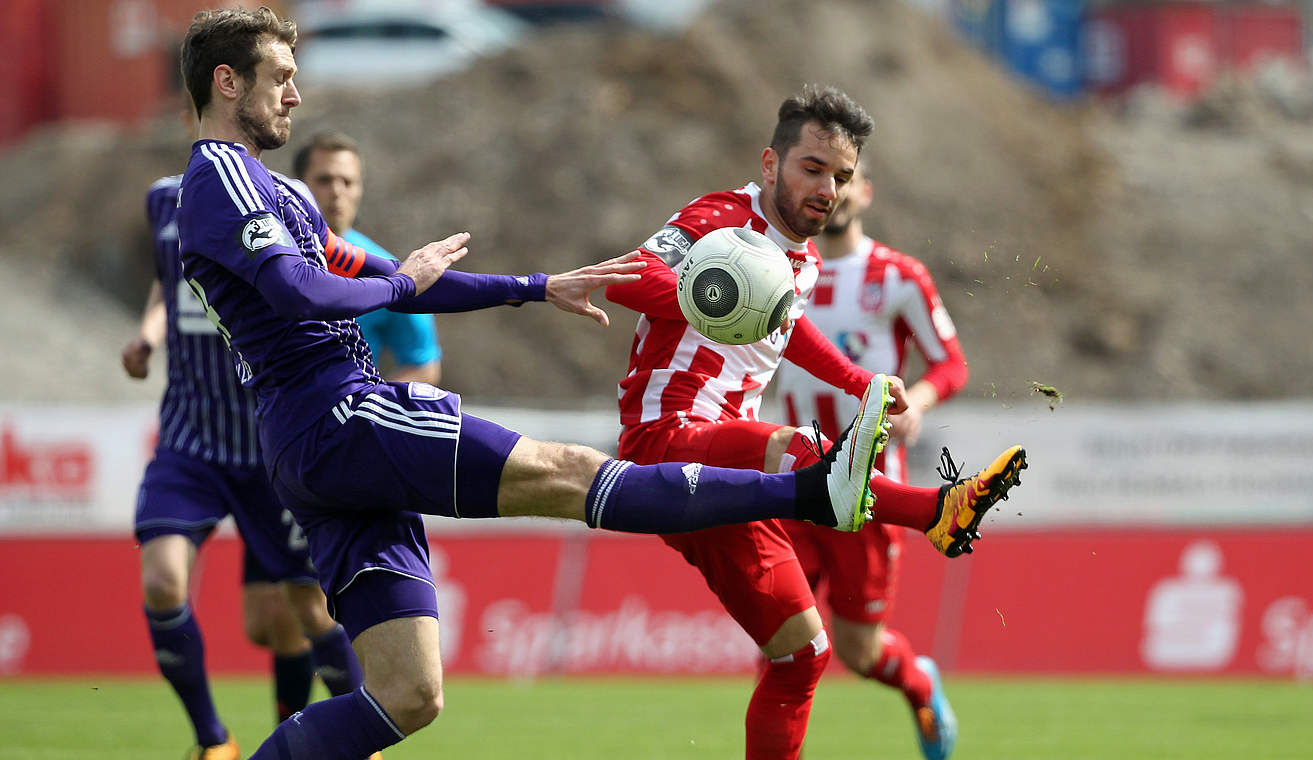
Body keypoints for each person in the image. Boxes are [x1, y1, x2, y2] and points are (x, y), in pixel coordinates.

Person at [175, 9, 890, 759]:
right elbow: (303, 292)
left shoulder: (271, 189)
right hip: (336, 410)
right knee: (571, 473)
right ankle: (811, 492)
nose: (294, 95)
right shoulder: (220, 176)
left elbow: (383, 281)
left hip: (314, 444)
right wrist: (401, 285)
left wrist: (537, 285)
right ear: (227, 82)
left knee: (408, 696)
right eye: (280, 78)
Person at [603, 85, 1026, 760]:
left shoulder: (806, 263)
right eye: (812, 168)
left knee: (805, 656)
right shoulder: (721, 218)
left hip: (733, 476)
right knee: (804, 451)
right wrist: (716, 292)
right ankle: (937, 511)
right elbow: (624, 279)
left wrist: (865, 385)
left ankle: (919, 617)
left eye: (842, 176)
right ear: (771, 165)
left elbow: (788, 331)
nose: (827, 188)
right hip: (669, 439)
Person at [122, 171, 365, 759]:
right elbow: (166, 279)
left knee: (302, 613)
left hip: (268, 445)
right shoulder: (162, 198)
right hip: (190, 440)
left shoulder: (282, 199)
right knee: (162, 580)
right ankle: (214, 742)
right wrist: (149, 334)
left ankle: (360, 740)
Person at [770, 160, 968, 760]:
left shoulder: (899, 276)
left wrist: (919, 405)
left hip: (870, 492)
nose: (833, 192)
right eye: (821, 178)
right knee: (780, 639)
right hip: (794, 481)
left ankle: (919, 683)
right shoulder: (775, 272)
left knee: (859, 652)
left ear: (864, 192)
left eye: (846, 179)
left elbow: (951, 363)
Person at [294, 131, 442, 384]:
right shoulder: (271, 253)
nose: (337, 191)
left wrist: (367, 407)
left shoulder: (389, 272)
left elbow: (424, 365)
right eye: (324, 180)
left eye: (348, 182)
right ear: (298, 185)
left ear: (360, 189)